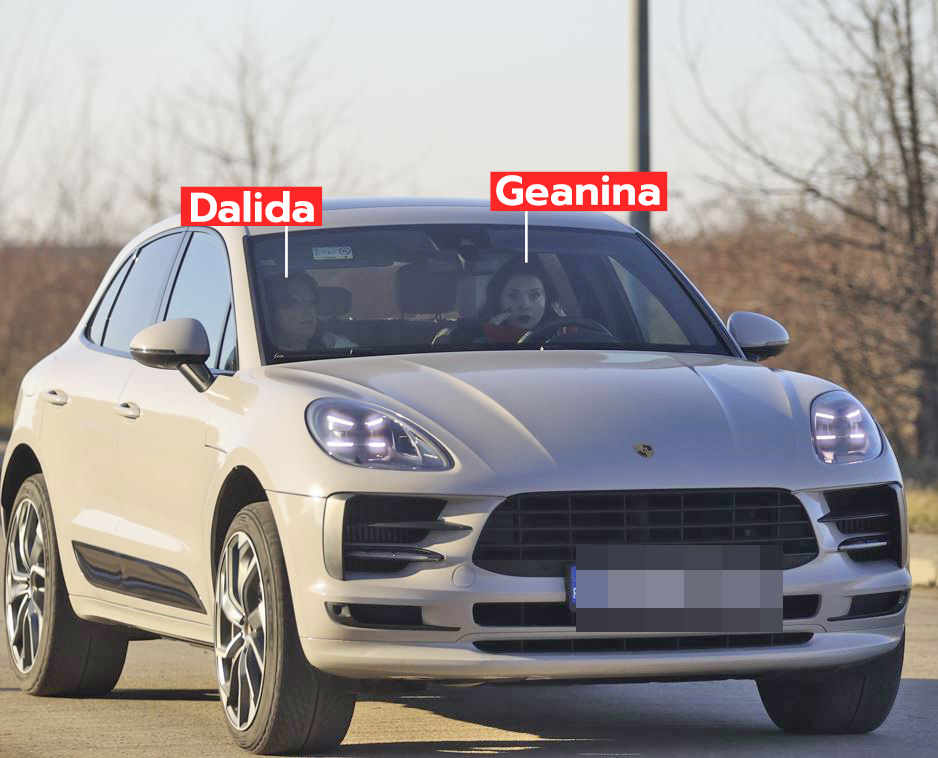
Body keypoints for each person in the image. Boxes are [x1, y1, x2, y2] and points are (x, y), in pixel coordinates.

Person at [435, 257, 566, 345]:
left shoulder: (568, 336)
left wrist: (566, 328)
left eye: (535, 295)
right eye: (513, 295)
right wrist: (487, 336)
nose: (524, 305)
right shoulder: (461, 338)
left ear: (548, 299)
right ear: (498, 300)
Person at [265, 272, 355, 353]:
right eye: (294, 302)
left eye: (312, 301)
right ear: (271, 311)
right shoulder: (259, 355)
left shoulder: (340, 348)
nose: (308, 310)